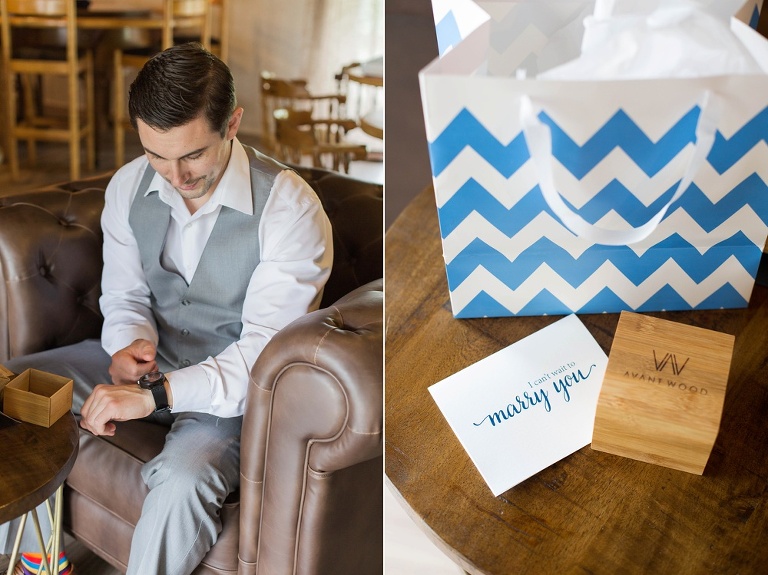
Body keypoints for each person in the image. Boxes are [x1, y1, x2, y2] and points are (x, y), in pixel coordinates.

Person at [0, 42, 333, 575]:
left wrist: (155, 395)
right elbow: (125, 295)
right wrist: (129, 342)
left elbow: (264, 357)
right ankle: (34, 560)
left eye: (192, 155)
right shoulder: (130, 184)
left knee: (182, 481)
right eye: (157, 154)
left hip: (229, 395)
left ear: (232, 125)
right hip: (153, 368)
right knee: (13, 387)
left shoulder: (291, 211)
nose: (174, 178)